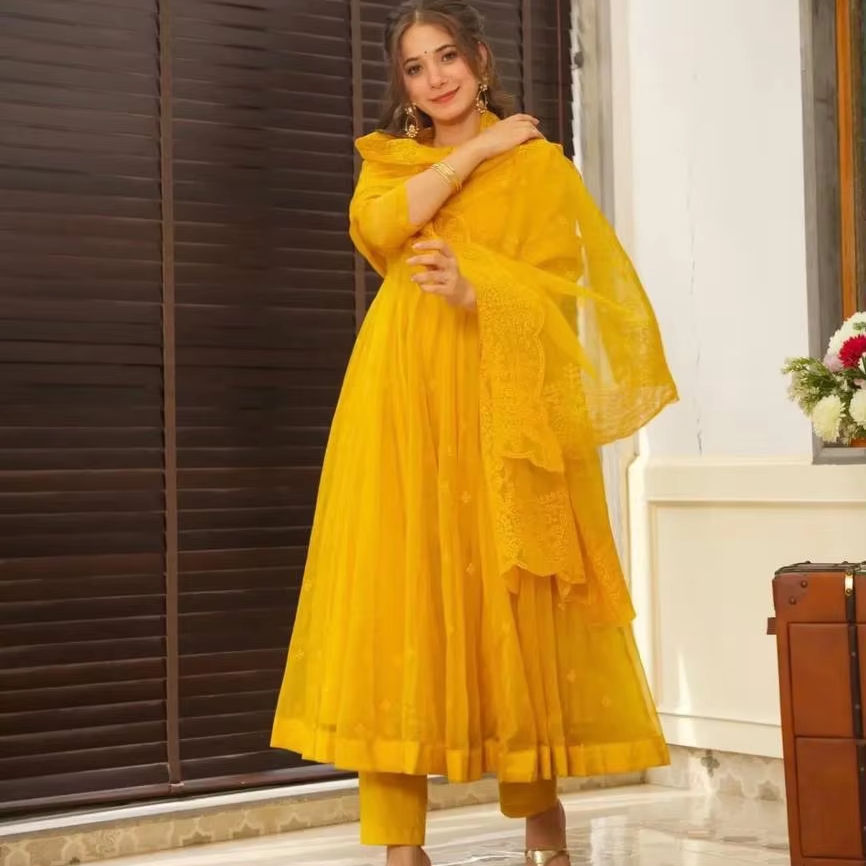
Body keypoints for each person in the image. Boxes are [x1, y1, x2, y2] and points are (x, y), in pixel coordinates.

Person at [271, 1, 678, 863]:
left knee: (517, 597)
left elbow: (562, 291)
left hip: (501, 402)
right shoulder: (392, 161)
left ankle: (543, 826)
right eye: (415, 67)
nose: (436, 78)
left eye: (448, 56)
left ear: (481, 60)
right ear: (404, 84)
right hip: (401, 402)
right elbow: (380, 228)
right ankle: (400, 847)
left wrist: (476, 289)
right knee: (397, 600)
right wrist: (476, 153)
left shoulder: (540, 169)